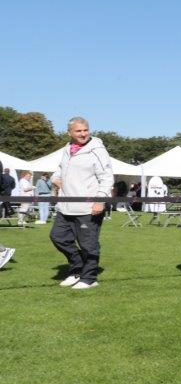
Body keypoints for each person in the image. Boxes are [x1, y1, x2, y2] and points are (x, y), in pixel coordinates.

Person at [50, 117, 114, 289]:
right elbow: (59, 171)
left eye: (85, 130)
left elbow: (107, 177)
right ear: (69, 133)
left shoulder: (97, 150)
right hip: (65, 207)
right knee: (58, 237)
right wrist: (55, 178)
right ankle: (77, 268)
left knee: (88, 244)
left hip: (88, 208)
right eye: (78, 131)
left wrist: (100, 200)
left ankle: (89, 277)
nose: (83, 134)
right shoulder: (67, 149)